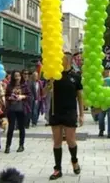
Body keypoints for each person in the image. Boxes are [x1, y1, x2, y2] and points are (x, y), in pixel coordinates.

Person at [47, 52, 83, 180]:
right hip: (55, 111)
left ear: (68, 60)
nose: (60, 60)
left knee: (70, 140)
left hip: (70, 112)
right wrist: (49, 85)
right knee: (56, 141)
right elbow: (44, 92)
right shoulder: (53, 75)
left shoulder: (75, 76)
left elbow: (79, 96)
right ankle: (57, 168)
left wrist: (81, 114)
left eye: (63, 58)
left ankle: (74, 160)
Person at [98, 70, 110, 138]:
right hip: (102, 102)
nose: (107, 72)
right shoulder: (101, 80)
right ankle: (101, 130)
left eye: (109, 71)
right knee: (101, 118)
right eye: (106, 71)